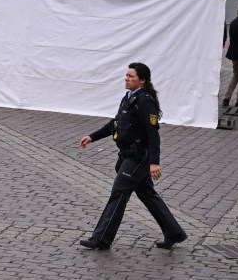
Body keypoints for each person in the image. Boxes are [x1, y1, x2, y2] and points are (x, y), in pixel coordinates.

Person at [79, 62, 187, 251]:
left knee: (119, 192)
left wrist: (154, 162)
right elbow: (116, 123)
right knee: (147, 194)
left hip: (139, 157)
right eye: (126, 76)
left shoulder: (145, 101)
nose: (127, 79)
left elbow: (153, 134)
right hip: (129, 155)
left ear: (142, 80)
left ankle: (102, 238)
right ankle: (174, 232)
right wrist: (92, 137)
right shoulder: (128, 98)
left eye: (131, 76)